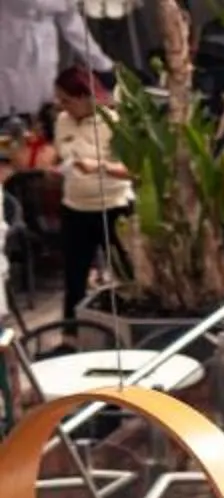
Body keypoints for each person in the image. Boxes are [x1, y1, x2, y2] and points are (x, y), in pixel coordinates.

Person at [48, 62, 122, 321]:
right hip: (75, 207)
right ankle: (71, 335)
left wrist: (100, 166)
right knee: (74, 278)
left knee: (125, 272)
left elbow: (133, 171)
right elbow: (61, 153)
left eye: (66, 100)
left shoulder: (112, 123)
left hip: (113, 206)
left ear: (84, 97)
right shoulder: (62, 122)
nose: (62, 106)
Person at [0, 0, 107, 129]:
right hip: (10, 41)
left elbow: (73, 25)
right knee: (13, 105)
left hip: (45, 41)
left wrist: (102, 64)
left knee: (46, 107)